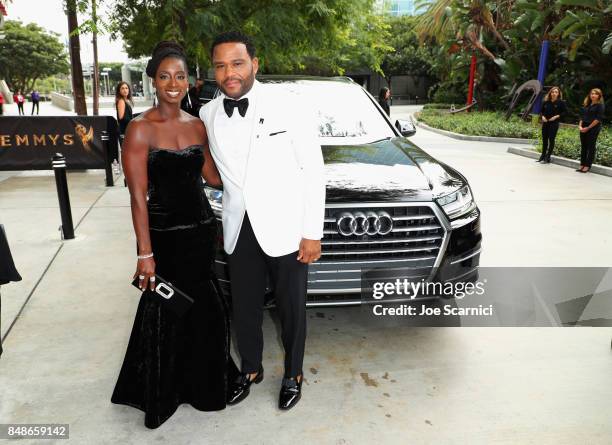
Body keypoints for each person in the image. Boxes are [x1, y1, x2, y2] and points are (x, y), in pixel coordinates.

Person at [111, 41, 238, 429]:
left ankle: (204, 386)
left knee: (208, 313)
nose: (173, 83)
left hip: (200, 232)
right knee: (167, 313)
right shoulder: (139, 128)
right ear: (152, 79)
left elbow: (213, 177)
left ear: (190, 82)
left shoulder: (197, 124)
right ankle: (165, 391)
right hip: (164, 236)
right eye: (164, 76)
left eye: (180, 76)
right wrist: (144, 254)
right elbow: (136, 196)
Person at [200, 31, 325, 411]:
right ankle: (251, 368)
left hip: (287, 229)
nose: (229, 72)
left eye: (237, 63)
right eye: (220, 66)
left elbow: (312, 170)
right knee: (245, 307)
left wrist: (311, 233)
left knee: (291, 309)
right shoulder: (207, 114)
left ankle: (293, 373)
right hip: (239, 229)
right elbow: (217, 174)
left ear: (255, 64)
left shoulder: (289, 105)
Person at [577, 88, 605, 173]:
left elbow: (598, 119)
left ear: (599, 96)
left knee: (591, 147)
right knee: (584, 146)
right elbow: (582, 116)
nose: (593, 95)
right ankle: (582, 164)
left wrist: (588, 128)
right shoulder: (587, 104)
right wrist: (580, 126)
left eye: (595, 94)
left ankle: (587, 165)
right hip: (583, 126)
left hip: (593, 128)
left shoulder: (600, 106)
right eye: (592, 93)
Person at [537, 86, 566, 163]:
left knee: (551, 140)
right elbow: (541, 111)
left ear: (558, 93)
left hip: (554, 123)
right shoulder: (546, 102)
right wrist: (542, 117)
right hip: (545, 123)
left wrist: (556, 116)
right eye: (552, 92)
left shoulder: (561, 102)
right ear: (550, 93)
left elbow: (565, 113)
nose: (554, 93)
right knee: (544, 140)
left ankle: (548, 157)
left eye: (556, 92)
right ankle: (542, 155)